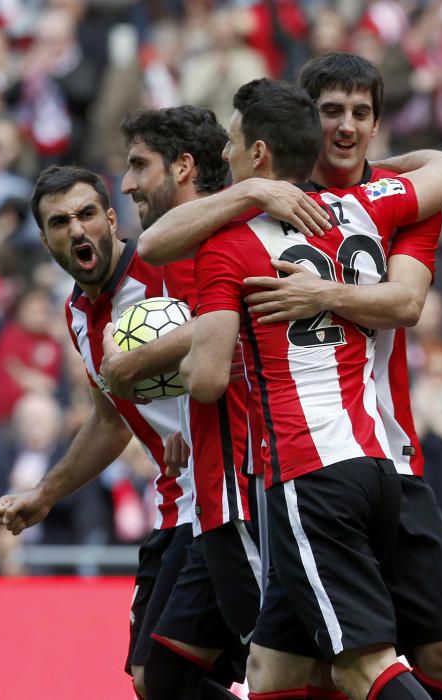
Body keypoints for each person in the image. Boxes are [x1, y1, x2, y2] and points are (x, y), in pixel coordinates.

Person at [178, 78, 442, 700]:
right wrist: (259, 191)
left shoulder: (237, 240)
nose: (345, 127)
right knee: (275, 671)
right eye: (330, 114)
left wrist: (318, 295)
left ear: (257, 150)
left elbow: (404, 303)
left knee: (370, 664)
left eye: (361, 114)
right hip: (358, 459)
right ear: (306, 129)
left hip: (318, 464)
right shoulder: (371, 208)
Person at [0, 164, 195, 700]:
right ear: (45, 239)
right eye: (60, 222)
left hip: (234, 493)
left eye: (86, 215)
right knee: (153, 680)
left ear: (110, 218)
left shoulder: (165, 265)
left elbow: (231, 343)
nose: (77, 230)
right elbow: (111, 421)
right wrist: (45, 494)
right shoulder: (78, 312)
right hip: (177, 503)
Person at [103, 107, 264, 700]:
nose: (127, 183)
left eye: (138, 166)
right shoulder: (164, 256)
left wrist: (134, 364)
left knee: (290, 664)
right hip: (204, 483)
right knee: (160, 678)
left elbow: (225, 330)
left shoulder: (222, 238)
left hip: (249, 485)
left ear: (184, 166)